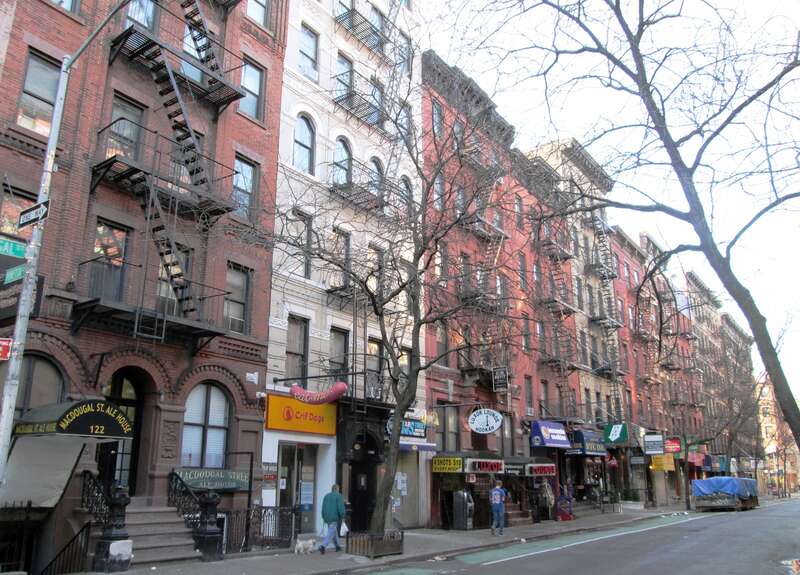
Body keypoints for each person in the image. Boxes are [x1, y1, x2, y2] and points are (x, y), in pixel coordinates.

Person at [319, 484, 346, 554]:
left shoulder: (326, 496)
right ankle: (323, 546)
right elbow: (340, 507)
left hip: (327, 517)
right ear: (337, 489)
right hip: (334, 517)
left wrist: (323, 516)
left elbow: (323, 507)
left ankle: (337, 546)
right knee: (331, 531)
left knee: (333, 531)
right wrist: (343, 516)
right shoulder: (338, 496)